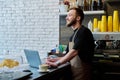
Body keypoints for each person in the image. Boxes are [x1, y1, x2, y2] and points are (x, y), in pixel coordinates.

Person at [46, 7, 95, 80]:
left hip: (83, 74)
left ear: (78, 18)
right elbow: (68, 56)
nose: (66, 18)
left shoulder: (84, 32)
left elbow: (74, 52)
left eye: (70, 15)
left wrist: (57, 63)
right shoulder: (72, 36)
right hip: (75, 73)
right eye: (67, 15)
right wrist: (55, 59)